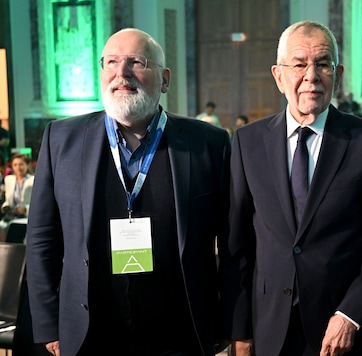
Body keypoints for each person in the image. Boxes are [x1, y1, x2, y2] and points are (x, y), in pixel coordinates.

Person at [26, 28, 230, 356]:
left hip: (180, 333)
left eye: (136, 62)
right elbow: (41, 241)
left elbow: (233, 246)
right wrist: (49, 324)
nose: (121, 74)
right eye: (111, 62)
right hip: (90, 332)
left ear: (164, 80)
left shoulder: (208, 144)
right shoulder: (61, 140)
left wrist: (225, 320)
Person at [222, 20, 362, 356]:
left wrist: (351, 313)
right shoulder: (247, 142)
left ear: (338, 73)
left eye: (322, 64)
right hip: (270, 330)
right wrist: (241, 332)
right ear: (279, 75)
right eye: (299, 64)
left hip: (342, 331)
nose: (311, 75)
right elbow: (238, 247)